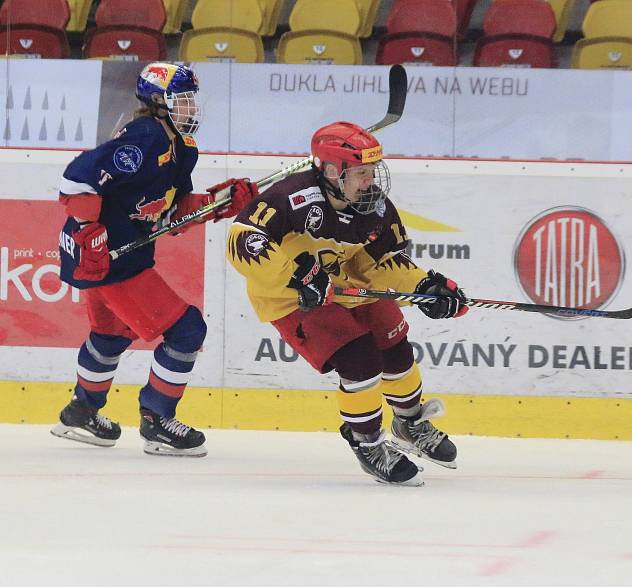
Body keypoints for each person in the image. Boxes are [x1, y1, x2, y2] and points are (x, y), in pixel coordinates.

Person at [226, 121, 468, 485]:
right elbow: (242, 239)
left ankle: (409, 421)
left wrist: (423, 287)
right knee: (360, 359)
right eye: (361, 173)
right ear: (331, 171)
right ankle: (367, 442)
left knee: (394, 340)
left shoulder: (377, 209)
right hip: (293, 298)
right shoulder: (291, 198)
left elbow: (383, 264)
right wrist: (295, 276)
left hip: (344, 286)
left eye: (373, 171)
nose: (371, 181)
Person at [51, 62, 258, 457]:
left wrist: (217, 203)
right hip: (108, 258)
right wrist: (88, 232)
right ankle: (157, 420)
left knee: (111, 336)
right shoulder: (144, 139)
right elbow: (77, 179)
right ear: (159, 102)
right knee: (186, 331)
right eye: (183, 100)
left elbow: (169, 212)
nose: (192, 109)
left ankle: (81, 411)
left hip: (120, 255)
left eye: (193, 100)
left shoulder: (182, 148)